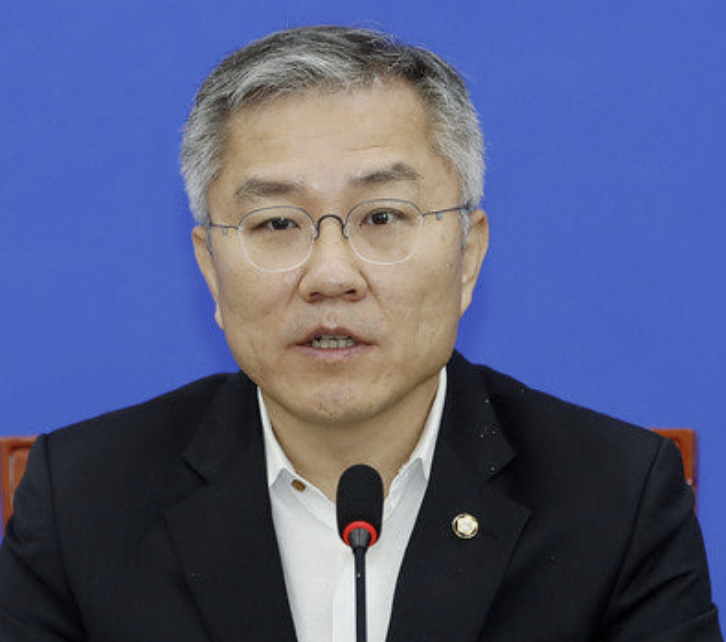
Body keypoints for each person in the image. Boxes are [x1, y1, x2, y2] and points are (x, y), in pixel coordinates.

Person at [0, 25, 721, 642]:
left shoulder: (616, 499)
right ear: (211, 269)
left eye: (381, 217)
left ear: (468, 255)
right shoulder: (81, 503)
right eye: (276, 223)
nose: (330, 274)